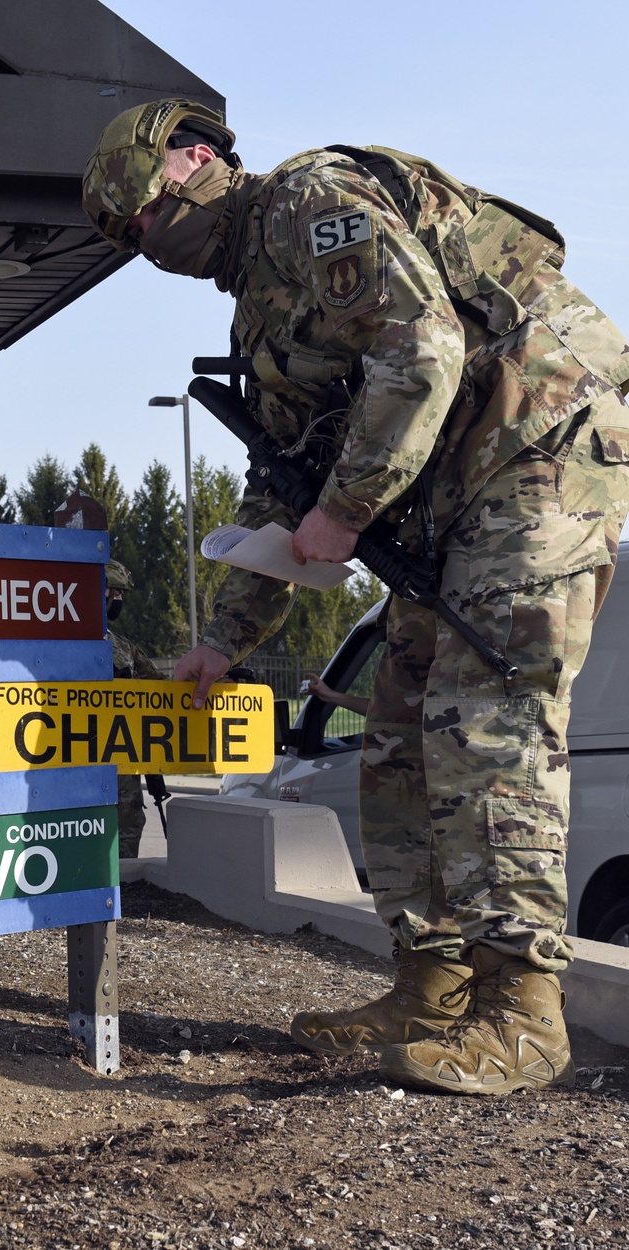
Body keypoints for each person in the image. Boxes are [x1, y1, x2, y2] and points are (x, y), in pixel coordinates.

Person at [83, 100, 629, 1094]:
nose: (146, 244)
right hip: (452, 493)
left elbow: (421, 353)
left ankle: (523, 1011)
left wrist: (346, 508)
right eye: (127, 239)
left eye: (149, 215)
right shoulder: (256, 306)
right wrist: (230, 643)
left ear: (197, 159)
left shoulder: (308, 201)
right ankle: (432, 983)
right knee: (396, 726)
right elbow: (278, 483)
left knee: (483, 718)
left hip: (540, 449)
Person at [105, 560, 169, 857]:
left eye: (121, 594)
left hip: (123, 763)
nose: (117, 600)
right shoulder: (60, 643)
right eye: (111, 591)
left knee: (128, 829)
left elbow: (161, 688)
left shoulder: (122, 646)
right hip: (75, 761)